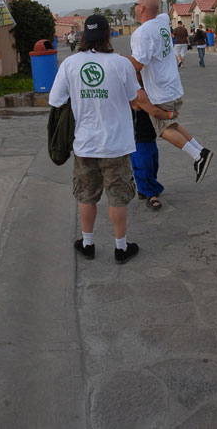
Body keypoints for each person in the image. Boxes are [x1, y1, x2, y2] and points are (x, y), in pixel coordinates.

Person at [49, 14, 141, 264]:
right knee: (118, 196)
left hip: (85, 143)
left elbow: (55, 100)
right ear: (107, 35)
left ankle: (87, 243)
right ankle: (121, 248)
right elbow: (134, 99)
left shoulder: (70, 63)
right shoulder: (122, 64)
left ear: (83, 37)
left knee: (86, 195)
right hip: (116, 144)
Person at [129, 0, 213, 184]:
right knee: (172, 123)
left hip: (160, 90)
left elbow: (137, 65)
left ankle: (197, 156)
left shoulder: (142, 34)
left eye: (136, 5)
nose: (134, 7)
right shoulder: (162, 21)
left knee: (163, 129)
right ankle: (201, 149)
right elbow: (163, 15)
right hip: (173, 86)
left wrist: (117, 61)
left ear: (142, 9)